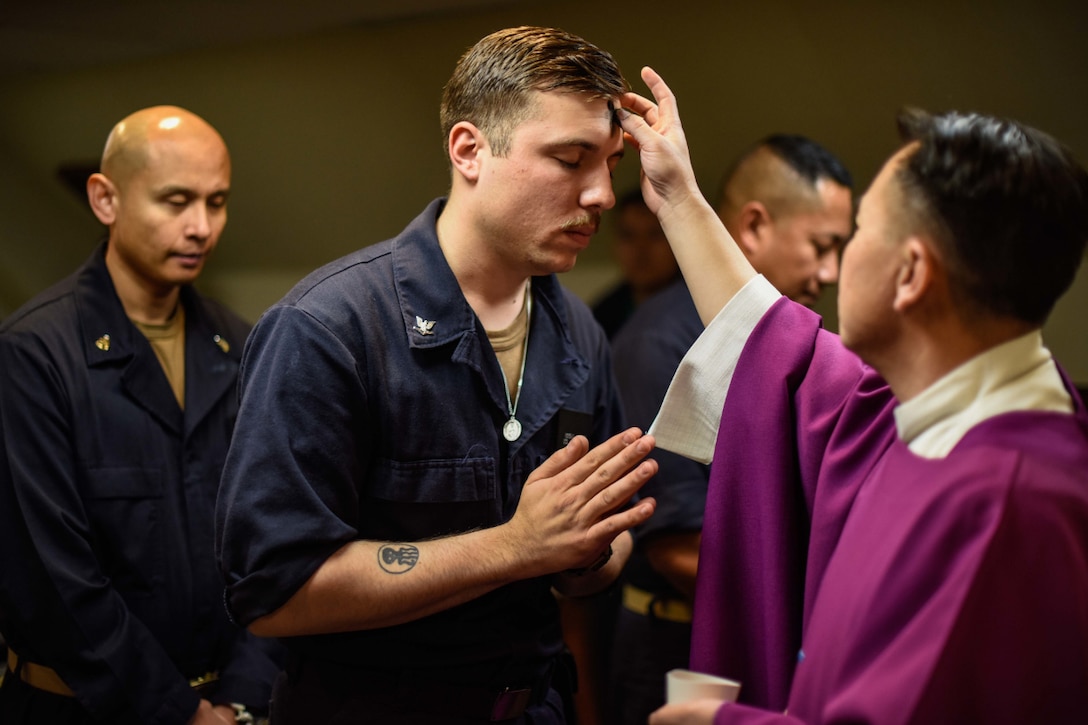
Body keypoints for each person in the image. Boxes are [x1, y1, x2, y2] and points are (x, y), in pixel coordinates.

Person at [214, 26, 658, 725]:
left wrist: (587, 551)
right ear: (469, 150)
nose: (602, 194)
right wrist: (517, 545)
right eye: (571, 159)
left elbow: (602, 546)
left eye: (608, 163)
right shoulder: (331, 328)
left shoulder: (578, 332)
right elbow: (272, 595)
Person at [619, 68, 1088, 723]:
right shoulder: (935, 404)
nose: (836, 268)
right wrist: (678, 197)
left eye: (859, 231)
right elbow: (785, 349)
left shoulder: (1012, 504)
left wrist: (722, 722)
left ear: (913, 273)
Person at [0, 107, 279, 724]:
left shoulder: (242, 346)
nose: (201, 227)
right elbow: (55, 582)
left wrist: (240, 697)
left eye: (217, 201)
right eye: (175, 201)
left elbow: (274, 538)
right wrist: (179, 712)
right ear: (105, 199)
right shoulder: (34, 356)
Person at [607, 135, 853, 723]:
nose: (832, 270)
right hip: (681, 637)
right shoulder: (659, 342)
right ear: (755, 225)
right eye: (822, 245)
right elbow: (674, 542)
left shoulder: (800, 345)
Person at [591, 189, 681, 338]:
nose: (641, 249)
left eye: (654, 234)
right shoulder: (601, 318)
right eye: (628, 236)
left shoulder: (701, 307)